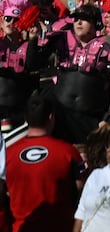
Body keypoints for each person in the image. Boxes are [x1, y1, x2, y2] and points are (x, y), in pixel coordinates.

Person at [3, 93, 85, 232]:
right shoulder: (68, 152)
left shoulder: (7, 153)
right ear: (51, 117)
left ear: (26, 119)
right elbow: (82, 190)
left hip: (21, 228)